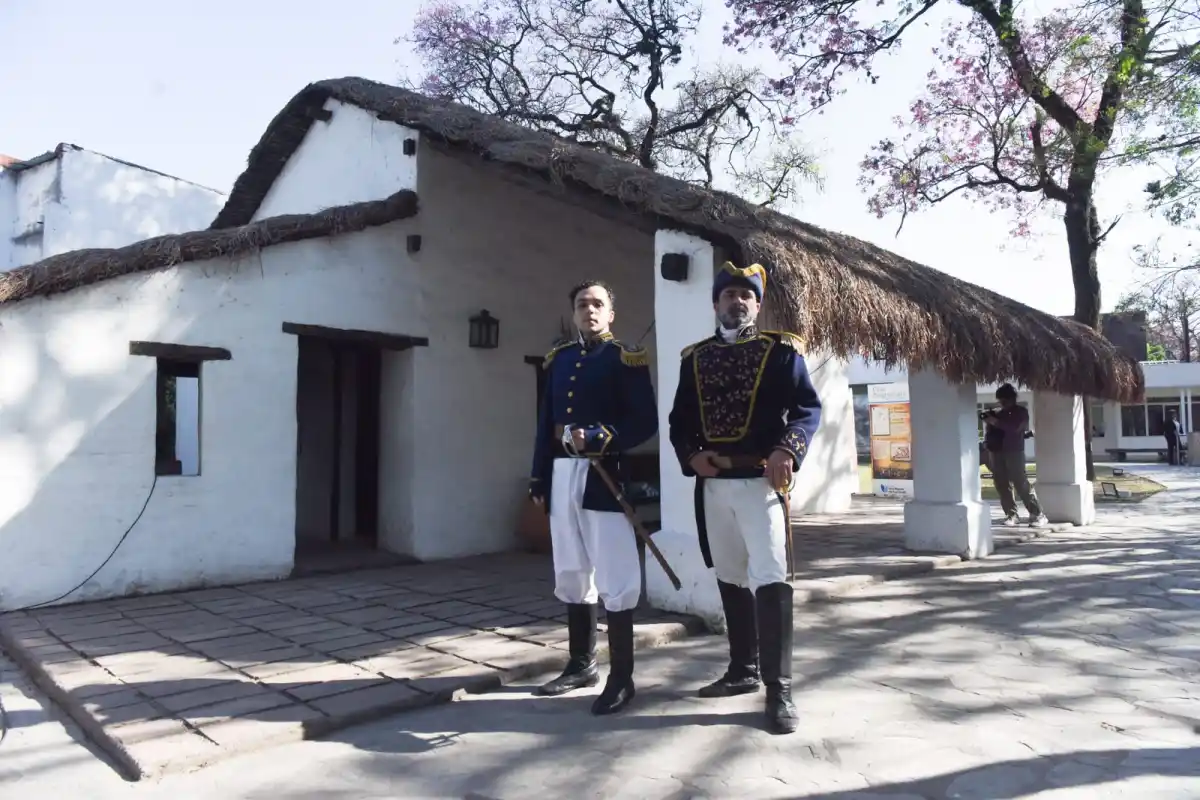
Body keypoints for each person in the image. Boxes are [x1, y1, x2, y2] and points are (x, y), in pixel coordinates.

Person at [667, 261, 822, 735]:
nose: (738, 301)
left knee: (771, 577)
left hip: (760, 482)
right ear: (715, 303)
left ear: (757, 304)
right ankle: (742, 671)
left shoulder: (781, 352)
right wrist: (691, 455)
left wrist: (785, 450)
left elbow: (806, 409)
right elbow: (679, 421)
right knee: (731, 576)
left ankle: (779, 688)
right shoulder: (693, 358)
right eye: (729, 294)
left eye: (746, 295)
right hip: (713, 484)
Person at [528, 279, 658, 715]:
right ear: (574, 312)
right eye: (582, 303)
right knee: (570, 568)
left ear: (610, 313)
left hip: (604, 477)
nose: (590, 309)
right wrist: (538, 478)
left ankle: (622, 678)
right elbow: (544, 423)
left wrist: (603, 435)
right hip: (563, 473)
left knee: (616, 575)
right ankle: (581, 664)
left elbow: (644, 421)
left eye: (598, 303)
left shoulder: (625, 358)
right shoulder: (559, 360)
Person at [982, 384, 1048, 528]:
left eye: (1005, 401)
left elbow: (1015, 429)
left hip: (1014, 451)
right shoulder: (999, 414)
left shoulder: (1021, 413)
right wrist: (990, 423)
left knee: (1020, 482)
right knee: (1001, 483)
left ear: (1012, 399)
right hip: (997, 452)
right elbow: (992, 434)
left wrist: (996, 422)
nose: (1002, 404)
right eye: (1000, 401)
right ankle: (1011, 514)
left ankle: (1037, 513)